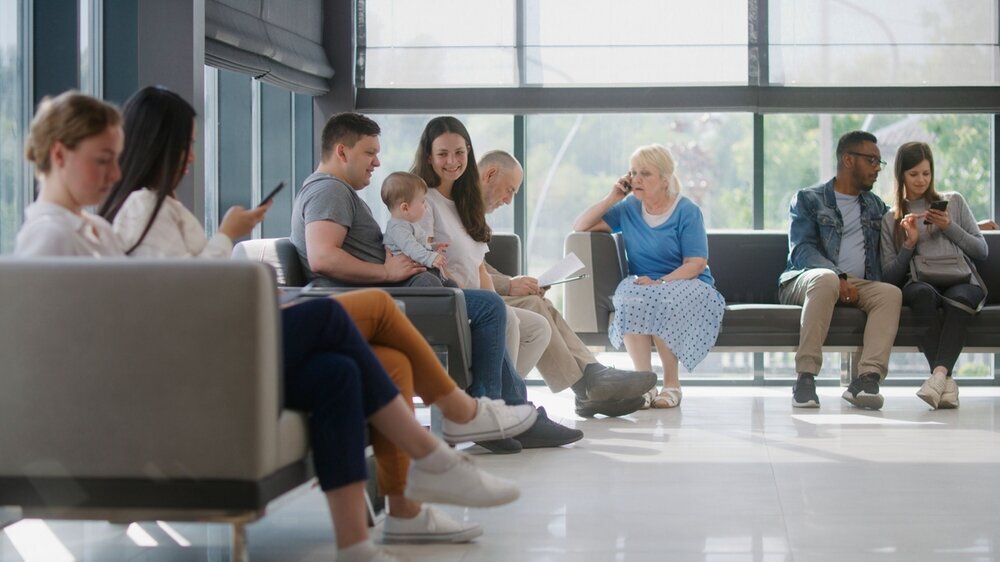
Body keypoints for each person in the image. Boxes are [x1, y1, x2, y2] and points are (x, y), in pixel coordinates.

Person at [18, 90, 527, 562]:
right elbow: (126, 326)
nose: (114, 172)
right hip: (191, 360)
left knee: (345, 373)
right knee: (353, 311)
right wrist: (229, 253)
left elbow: (162, 298)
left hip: (200, 342)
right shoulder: (60, 234)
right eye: (103, 160)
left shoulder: (93, 228)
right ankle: (450, 430)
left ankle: (361, 540)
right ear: (60, 156)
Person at [290, 112, 576, 454]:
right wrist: (388, 273)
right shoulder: (330, 191)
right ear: (341, 152)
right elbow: (323, 258)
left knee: (493, 308)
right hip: (387, 297)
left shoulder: (336, 192)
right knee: (488, 307)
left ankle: (505, 410)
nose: (377, 162)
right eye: (369, 153)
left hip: (395, 292)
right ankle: (491, 409)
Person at [411, 116, 583, 452]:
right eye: (443, 154)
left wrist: (497, 305)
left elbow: (480, 267)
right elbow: (420, 261)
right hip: (449, 303)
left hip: (476, 300)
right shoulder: (424, 200)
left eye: (459, 153)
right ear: (429, 157)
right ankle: (511, 414)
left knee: (535, 326)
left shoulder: (464, 203)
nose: (452, 162)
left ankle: (500, 412)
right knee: (511, 323)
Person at [478, 150, 657, 418]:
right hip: (472, 296)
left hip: (483, 290)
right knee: (532, 304)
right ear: (490, 174)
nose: (508, 199)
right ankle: (589, 389)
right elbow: (462, 271)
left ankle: (591, 382)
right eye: (509, 190)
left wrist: (516, 282)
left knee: (539, 301)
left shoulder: (469, 213)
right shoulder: (454, 211)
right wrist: (509, 285)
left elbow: (477, 266)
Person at [573, 144, 726, 409]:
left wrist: (662, 281)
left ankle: (672, 384)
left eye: (645, 173)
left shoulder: (687, 211)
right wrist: (613, 198)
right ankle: (644, 385)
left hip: (687, 282)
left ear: (664, 180)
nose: (636, 179)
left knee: (662, 299)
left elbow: (696, 264)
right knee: (629, 297)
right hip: (644, 283)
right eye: (633, 172)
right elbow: (580, 226)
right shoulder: (629, 208)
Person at [779, 130, 902, 410]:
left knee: (890, 294)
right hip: (806, 279)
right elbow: (802, 251)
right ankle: (805, 377)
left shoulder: (874, 205)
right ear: (848, 159)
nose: (877, 169)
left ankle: (866, 380)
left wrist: (974, 226)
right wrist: (837, 275)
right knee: (825, 279)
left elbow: (903, 222)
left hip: (856, 284)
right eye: (872, 160)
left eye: (879, 163)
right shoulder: (808, 199)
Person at [881, 142, 988, 409]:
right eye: (913, 174)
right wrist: (909, 243)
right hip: (921, 283)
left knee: (961, 299)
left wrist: (949, 226)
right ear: (901, 176)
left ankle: (938, 377)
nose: (921, 180)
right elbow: (889, 277)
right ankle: (946, 382)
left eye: (926, 173)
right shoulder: (891, 218)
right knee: (921, 295)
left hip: (961, 280)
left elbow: (981, 250)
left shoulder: (954, 201)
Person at [380, 171, 453, 285]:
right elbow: (411, 248)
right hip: (408, 275)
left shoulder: (408, 224)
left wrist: (432, 247)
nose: (425, 206)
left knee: (451, 285)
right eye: (423, 201)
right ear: (405, 208)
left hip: (418, 268)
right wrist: (431, 258)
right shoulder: (397, 228)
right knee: (430, 283)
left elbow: (415, 244)